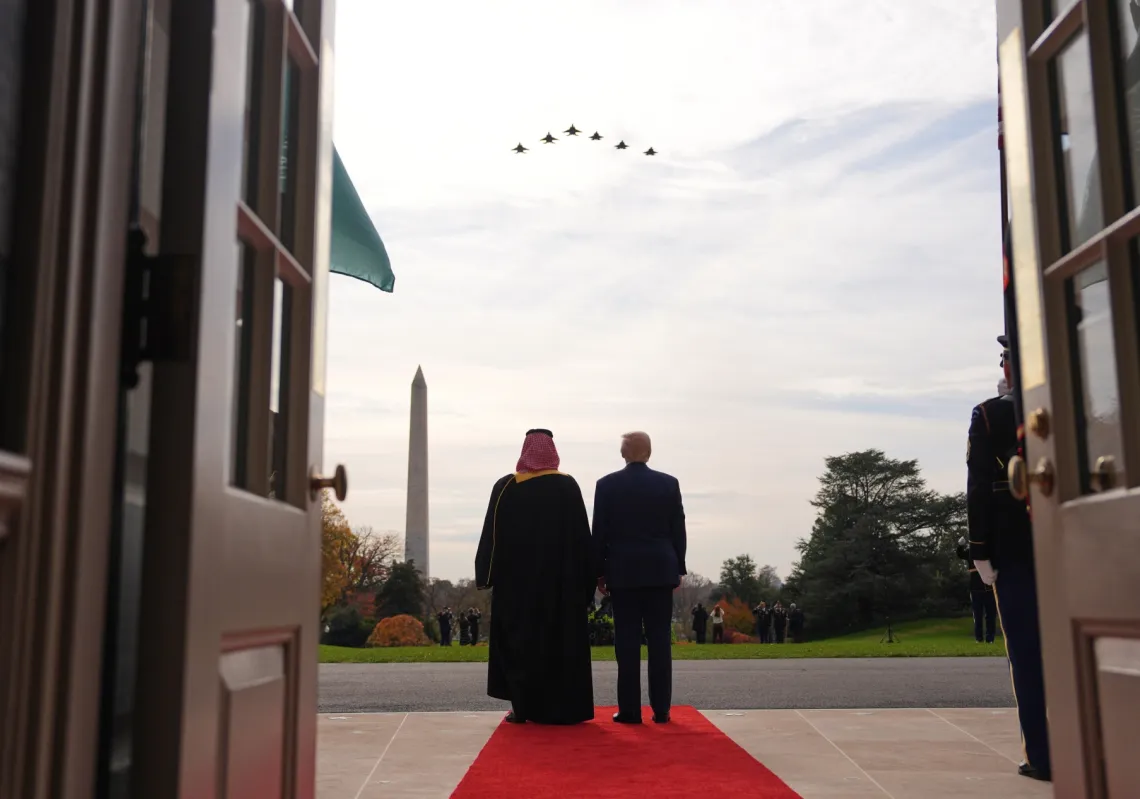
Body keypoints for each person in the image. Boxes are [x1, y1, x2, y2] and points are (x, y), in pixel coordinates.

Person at [967, 335, 1050, 781]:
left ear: (1012, 366)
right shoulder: (1073, 406)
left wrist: (979, 550)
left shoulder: (990, 414)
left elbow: (980, 487)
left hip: (1014, 548)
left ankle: (1043, 752)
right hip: (1072, 545)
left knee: (1027, 651)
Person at [474, 428, 595, 724]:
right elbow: (583, 539)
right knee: (561, 646)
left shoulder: (506, 487)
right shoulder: (568, 487)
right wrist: (587, 582)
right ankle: (565, 710)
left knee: (521, 647)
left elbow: (492, 535)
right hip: (561, 587)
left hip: (518, 588)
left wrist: (486, 575)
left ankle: (523, 708)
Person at [592, 431, 687, 725]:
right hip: (660, 570)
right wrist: (678, 567)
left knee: (627, 643)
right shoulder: (668, 484)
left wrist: (599, 571)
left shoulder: (606, 485)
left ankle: (630, 710)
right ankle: (662, 709)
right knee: (660, 642)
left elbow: (600, 533)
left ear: (623, 453)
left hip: (623, 571)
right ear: (649, 452)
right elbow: (677, 530)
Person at [956, 536, 997, 644]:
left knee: (990, 615)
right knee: (978, 616)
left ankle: (990, 639)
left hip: (989, 588)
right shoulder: (971, 552)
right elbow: (960, 554)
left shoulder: (990, 552)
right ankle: (979, 638)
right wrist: (960, 546)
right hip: (975, 588)